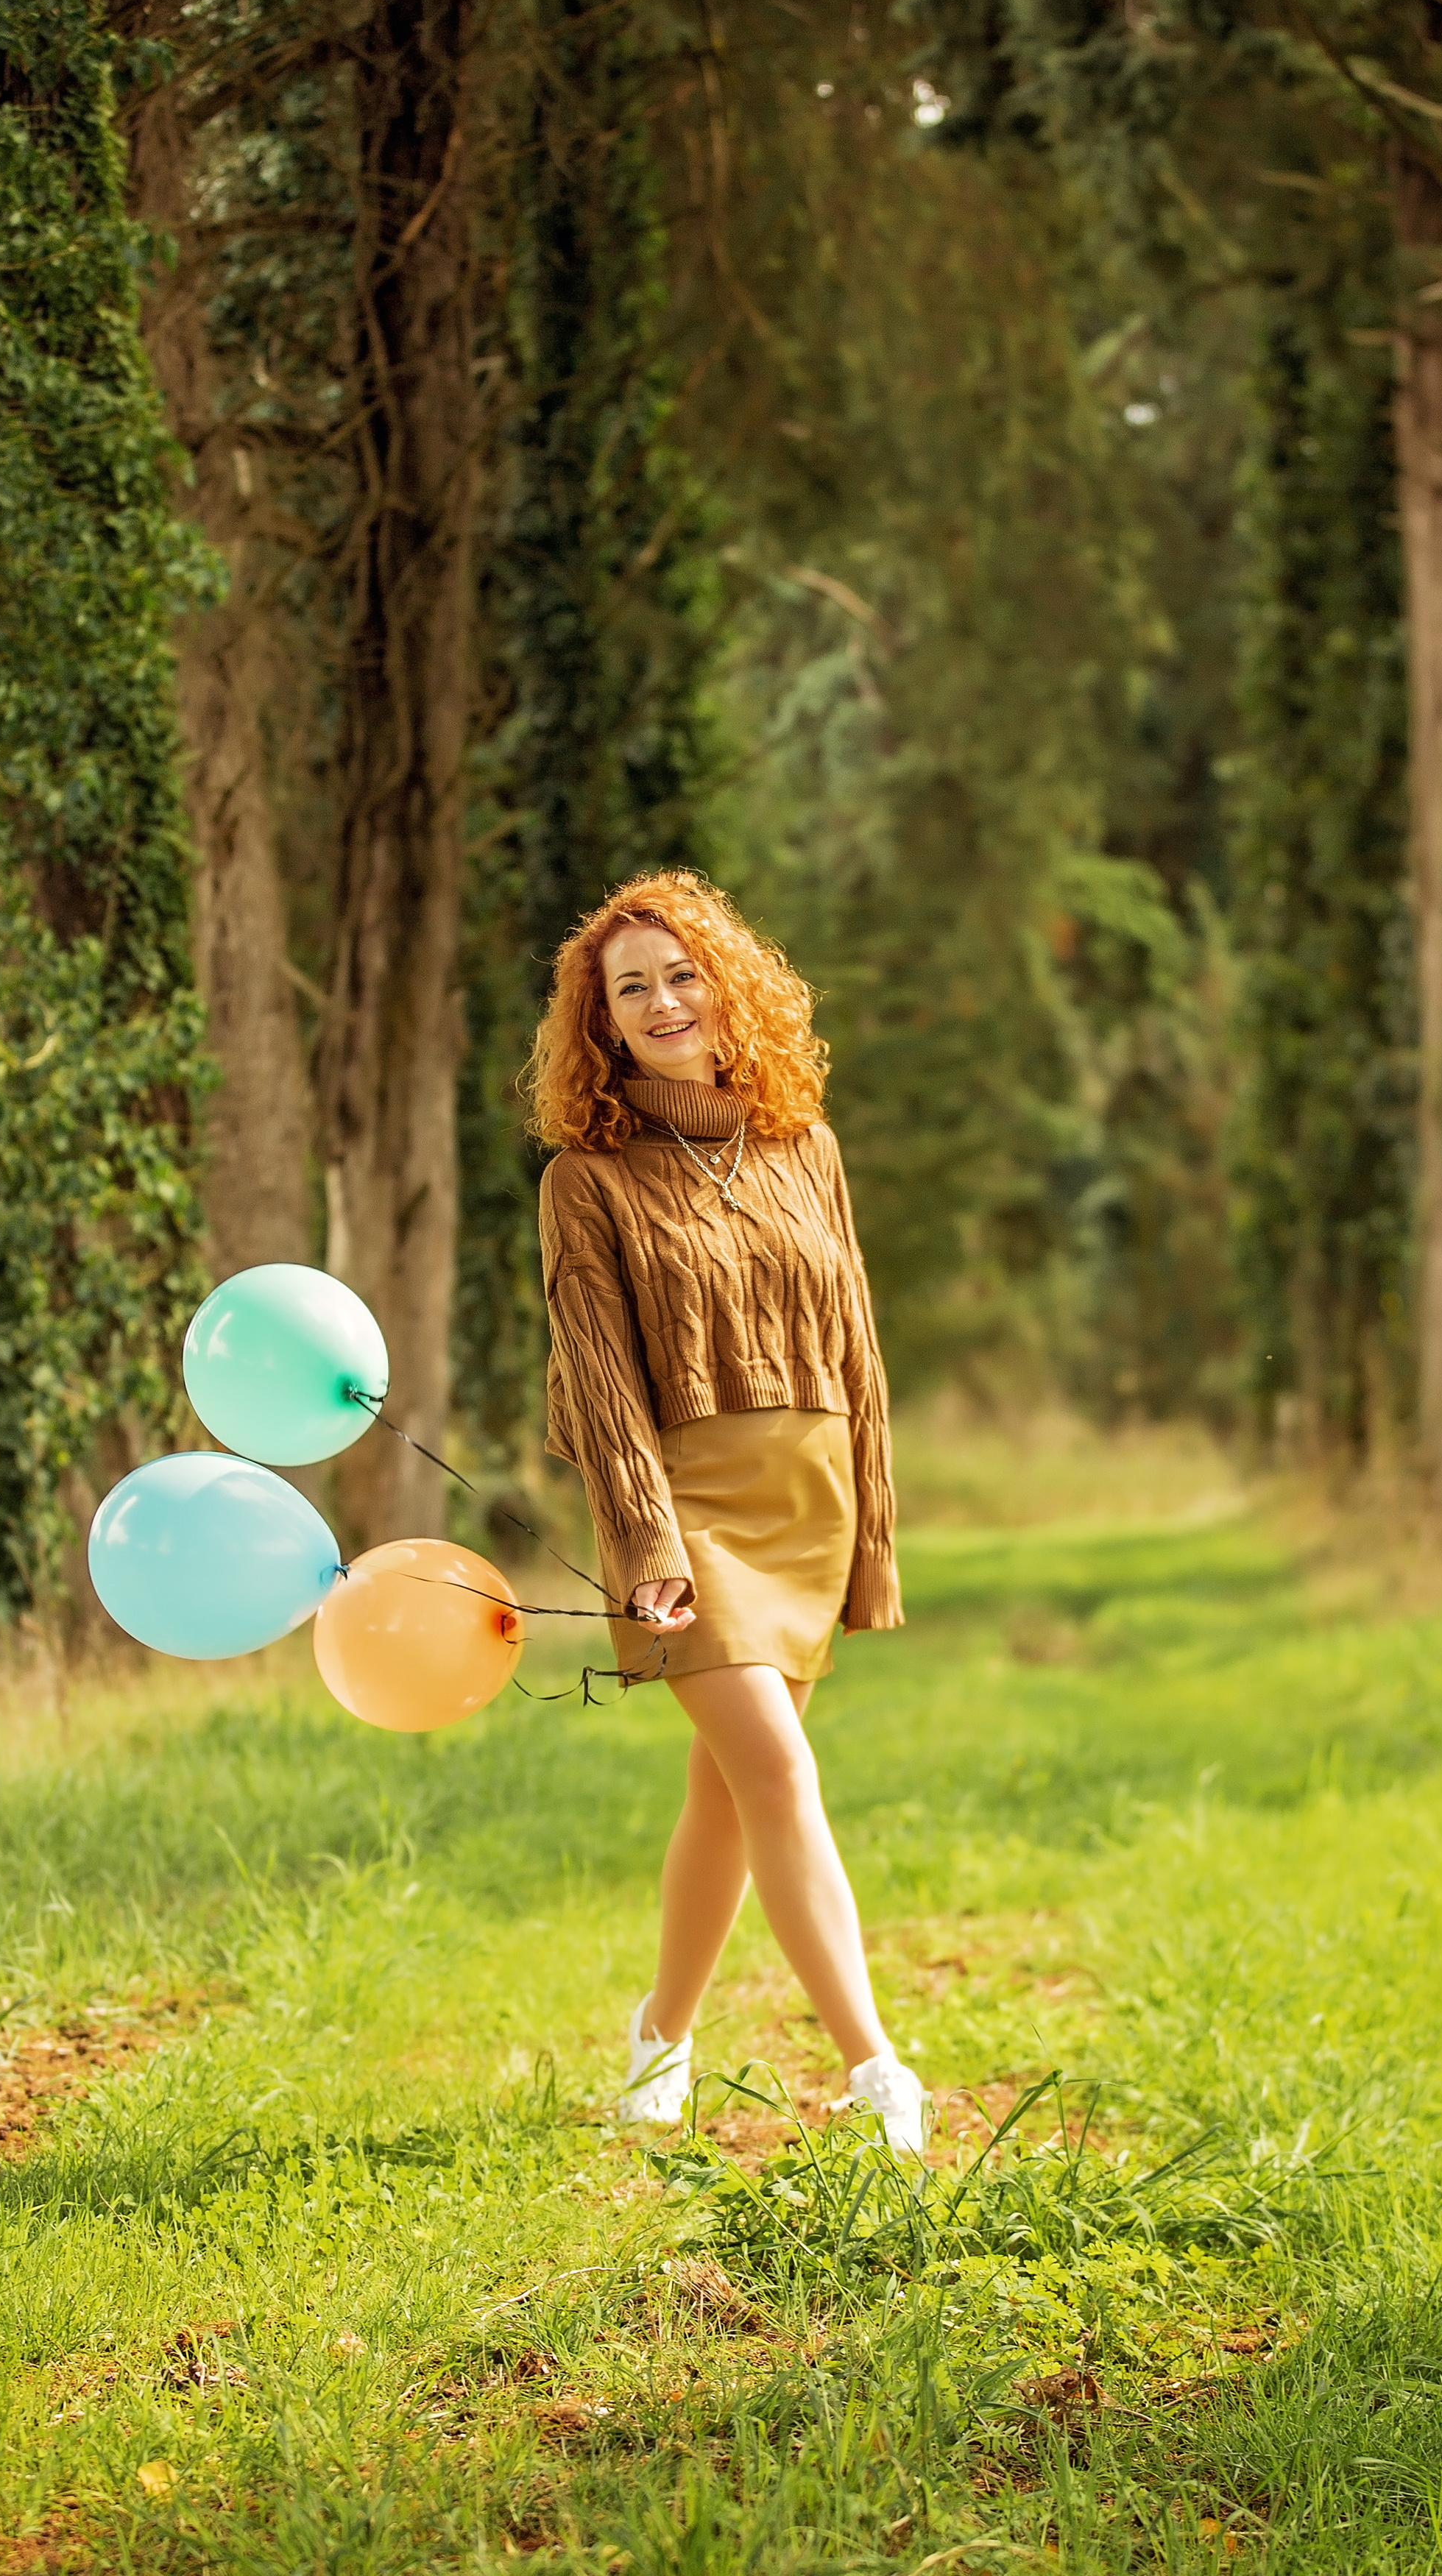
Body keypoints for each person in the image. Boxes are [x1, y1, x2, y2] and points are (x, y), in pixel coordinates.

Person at [525, 872, 926, 2157]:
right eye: (630, 989)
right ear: (600, 1021)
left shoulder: (808, 1148)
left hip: (812, 1501)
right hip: (689, 1509)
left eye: (682, 975)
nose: (662, 1003)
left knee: (729, 1790)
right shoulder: (585, 1181)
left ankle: (662, 2033)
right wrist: (647, 1542)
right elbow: (599, 1377)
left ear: (730, 988)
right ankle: (878, 2072)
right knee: (778, 1771)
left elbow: (859, 1354)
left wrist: (872, 1538)